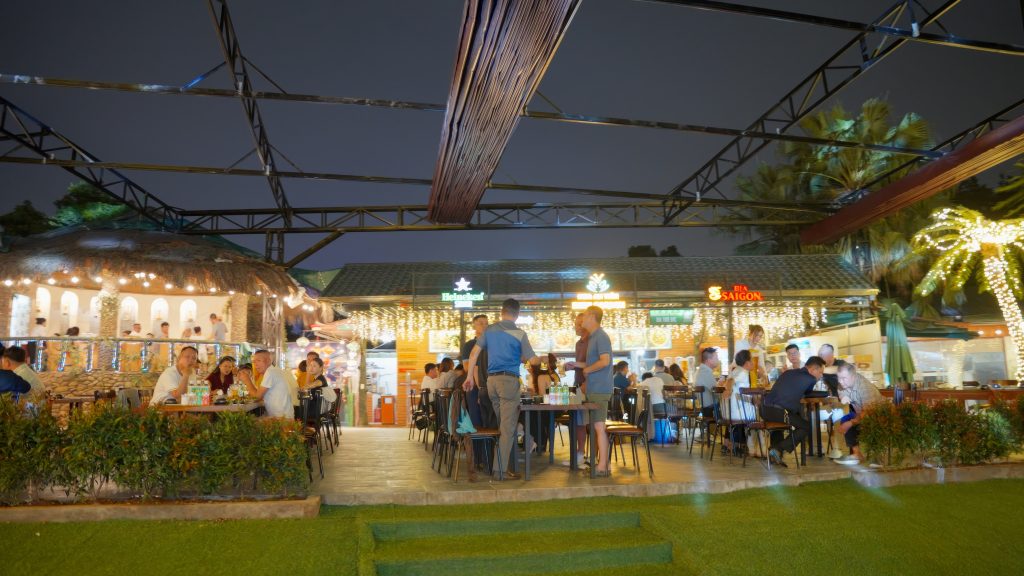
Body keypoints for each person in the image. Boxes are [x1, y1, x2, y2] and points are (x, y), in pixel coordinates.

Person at [464, 298, 540, 480]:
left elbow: (474, 353)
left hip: (491, 382)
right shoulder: (519, 333)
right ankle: (500, 471)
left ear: (501, 312)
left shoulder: (489, 330)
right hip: (508, 383)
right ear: (517, 314)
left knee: (504, 427)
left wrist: (469, 377)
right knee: (507, 429)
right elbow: (533, 360)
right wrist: (542, 359)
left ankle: (504, 466)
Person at [565, 305, 613, 477]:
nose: (581, 320)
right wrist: (576, 365)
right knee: (596, 426)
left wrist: (587, 370)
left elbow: (605, 361)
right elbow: (592, 363)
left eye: (584, 316)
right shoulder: (593, 337)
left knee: (599, 427)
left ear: (592, 316)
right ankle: (601, 464)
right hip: (594, 388)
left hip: (600, 388)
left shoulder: (601, 336)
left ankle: (602, 466)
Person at [763, 356, 826, 466]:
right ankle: (778, 449)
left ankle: (776, 455)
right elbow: (809, 394)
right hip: (779, 412)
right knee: (805, 426)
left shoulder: (788, 372)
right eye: (820, 372)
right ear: (813, 369)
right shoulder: (811, 379)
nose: (821, 375)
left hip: (764, 410)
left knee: (779, 426)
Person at [834, 363, 883, 465]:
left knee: (870, 423)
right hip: (860, 412)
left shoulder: (865, 387)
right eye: (838, 378)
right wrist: (842, 397)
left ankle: (877, 456)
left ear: (853, 376)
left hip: (878, 414)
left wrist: (851, 423)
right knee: (845, 419)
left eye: (843, 378)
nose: (840, 381)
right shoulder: (842, 385)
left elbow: (869, 411)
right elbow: (841, 393)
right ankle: (857, 454)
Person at [461, 314, 496, 429]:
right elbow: (467, 367)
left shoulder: (492, 344)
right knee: (477, 420)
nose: (484, 326)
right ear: (474, 326)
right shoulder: (469, 345)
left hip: (491, 385)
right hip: (475, 386)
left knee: (492, 419)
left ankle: (492, 440)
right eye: (481, 323)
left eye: (486, 323)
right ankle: (477, 440)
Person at [721, 350, 757, 453]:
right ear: (747, 363)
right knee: (759, 412)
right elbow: (731, 381)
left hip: (729, 412)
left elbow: (729, 380)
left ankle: (727, 443)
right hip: (741, 413)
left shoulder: (735, 370)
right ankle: (739, 445)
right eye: (752, 360)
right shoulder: (743, 372)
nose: (753, 363)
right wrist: (728, 390)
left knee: (736, 418)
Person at [240, 349, 294, 419]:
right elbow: (260, 394)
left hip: (282, 419)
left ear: (269, 361)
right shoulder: (274, 370)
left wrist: (247, 380)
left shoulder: (270, 372)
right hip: (281, 416)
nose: (256, 364)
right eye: (254, 361)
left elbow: (256, 397)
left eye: (259, 360)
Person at [694, 347, 720, 418]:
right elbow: (717, 391)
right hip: (710, 410)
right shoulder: (705, 372)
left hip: (704, 408)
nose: (718, 360)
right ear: (709, 360)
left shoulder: (701, 370)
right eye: (716, 358)